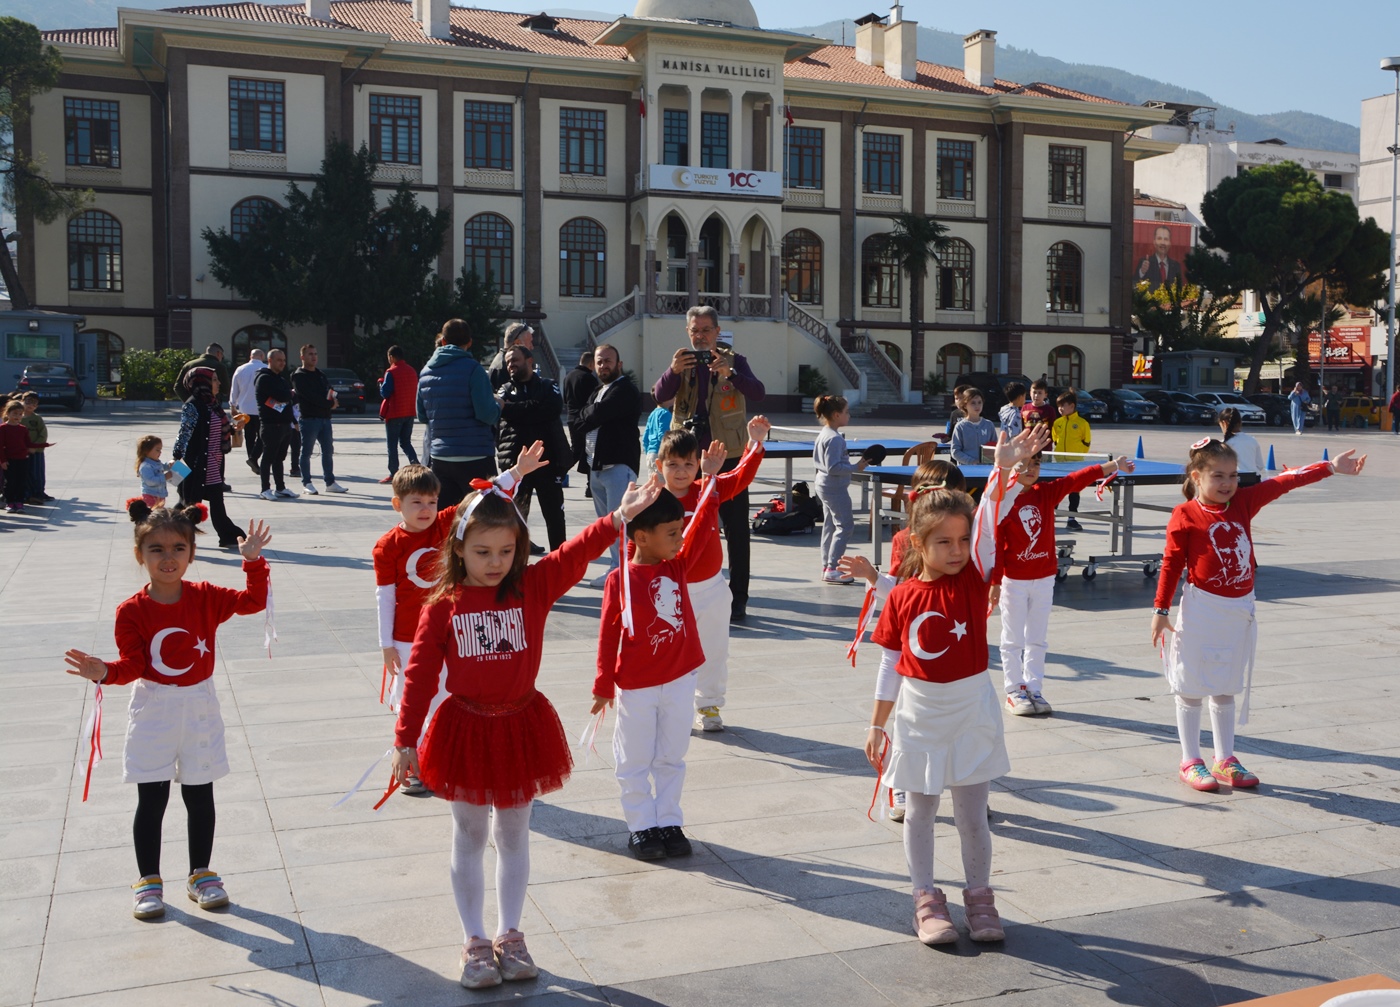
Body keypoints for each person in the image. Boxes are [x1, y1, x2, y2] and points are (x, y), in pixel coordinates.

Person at [389, 468, 661, 990]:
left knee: (514, 833)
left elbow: (574, 553)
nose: (495, 563)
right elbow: (420, 675)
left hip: (520, 724)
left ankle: (509, 935)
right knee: (469, 833)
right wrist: (405, 737)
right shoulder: (442, 606)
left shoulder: (532, 588)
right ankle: (473, 941)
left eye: (506, 552)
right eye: (483, 552)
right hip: (465, 726)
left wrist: (618, 518)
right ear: (459, 550)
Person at [864, 426, 1049, 946]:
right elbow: (890, 667)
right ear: (917, 543)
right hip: (920, 715)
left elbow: (990, 518)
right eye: (943, 541)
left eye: (963, 540)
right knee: (919, 811)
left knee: (972, 814)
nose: (957, 550)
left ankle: (980, 896)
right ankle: (925, 898)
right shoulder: (901, 597)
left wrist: (1004, 471)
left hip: (972, 710)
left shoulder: (974, 576)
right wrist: (877, 725)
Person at [62, 502, 271, 920]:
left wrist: (253, 562)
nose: (169, 557)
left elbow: (253, 602)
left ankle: (201, 875)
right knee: (152, 798)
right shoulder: (131, 611)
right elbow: (134, 666)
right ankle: (148, 881)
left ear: (192, 553)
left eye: (179, 547)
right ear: (141, 555)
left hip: (199, 706)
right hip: (154, 707)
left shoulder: (207, 597)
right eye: (156, 549)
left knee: (200, 793)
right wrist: (105, 672)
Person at [1151, 437, 1366, 792]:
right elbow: (1172, 563)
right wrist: (1160, 609)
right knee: (1190, 685)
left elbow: (1284, 482)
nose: (1227, 483)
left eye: (1233, 476)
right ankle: (1190, 760)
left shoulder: (1243, 503)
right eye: (1218, 475)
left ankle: (1225, 758)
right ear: (1196, 476)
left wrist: (1329, 467)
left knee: (1225, 685)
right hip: (1202, 609)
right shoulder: (1184, 514)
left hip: (1239, 611)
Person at [593, 474, 723, 860]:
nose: (680, 538)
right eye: (671, 532)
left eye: (679, 530)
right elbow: (606, 636)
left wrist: (712, 485)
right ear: (642, 536)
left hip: (680, 679)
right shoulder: (620, 580)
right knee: (633, 759)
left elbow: (700, 529)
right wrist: (603, 685)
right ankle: (640, 826)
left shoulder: (677, 567)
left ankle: (668, 820)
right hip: (637, 686)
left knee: (671, 755)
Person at [839, 459, 966, 823]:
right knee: (908, 720)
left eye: (954, 494)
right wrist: (873, 576)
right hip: (911, 640)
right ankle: (899, 782)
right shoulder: (903, 539)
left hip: (950, 640)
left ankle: (965, 785)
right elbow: (899, 595)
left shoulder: (964, 540)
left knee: (957, 721)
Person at [651, 417, 768, 732]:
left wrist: (754, 443)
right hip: (670, 593)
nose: (681, 472)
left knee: (714, 652)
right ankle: (668, 708)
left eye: (688, 464)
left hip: (712, 590)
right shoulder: (652, 499)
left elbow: (741, 477)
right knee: (669, 653)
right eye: (672, 464)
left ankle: (709, 705)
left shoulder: (708, 486)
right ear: (659, 465)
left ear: (697, 464)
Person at [652, 305, 767, 624]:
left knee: (736, 529)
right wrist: (673, 371)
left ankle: (739, 598)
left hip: (726, 454)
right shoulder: (683, 361)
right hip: (687, 460)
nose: (700, 336)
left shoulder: (734, 360)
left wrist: (730, 374)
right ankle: (680, 587)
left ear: (717, 331)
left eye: (706, 330)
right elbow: (659, 395)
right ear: (688, 333)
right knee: (681, 525)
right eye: (694, 331)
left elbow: (758, 392)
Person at [994, 449, 1131, 716]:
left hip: (1044, 578)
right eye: (1023, 464)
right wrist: (995, 582)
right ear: (1011, 467)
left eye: (1035, 464)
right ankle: (1014, 691)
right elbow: (997, 545)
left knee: (1037, 638)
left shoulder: (1046, 492)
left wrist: (1113, 465)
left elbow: (1076, 479)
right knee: (1012, 639)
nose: (1031, 469)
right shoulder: (1002, 501)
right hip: (1015, 581)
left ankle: (1033, 688)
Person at [373, 462, 459, 794]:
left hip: (447, 634)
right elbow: (384, 596)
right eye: (416, 502)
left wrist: (517, 473)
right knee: (411, 702)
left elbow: (481, 499)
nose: (425, 510)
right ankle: (414, 765)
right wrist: (386, 644)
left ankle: (442, 759)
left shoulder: (442, 525)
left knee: (445, 699)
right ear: (398, 504)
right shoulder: (387, 545)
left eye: (431, 502)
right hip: (406, 639)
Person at [573, 343, 642, 587]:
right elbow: (580, 418)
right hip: (597, 467)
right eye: (600, 361)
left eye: (608, 361)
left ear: (619, 364)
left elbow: (597, 414)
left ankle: (621, 571)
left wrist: (589, 414)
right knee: (606, 524)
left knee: (620, 522)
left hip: (618, 467)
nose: (604, 365)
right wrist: (589, 414)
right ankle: (618, 569)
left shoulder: (625, 389)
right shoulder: (598, 391)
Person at [493, 345, 571, 552]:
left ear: (529, 361)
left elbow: (552, 409)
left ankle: (559, 562)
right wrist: (532, 407)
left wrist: (512, 408)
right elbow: (500, 411)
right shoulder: (505, 389)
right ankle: (516, 568)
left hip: (548, 463)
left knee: (554, 517)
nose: (511, 365)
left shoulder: (548, 385)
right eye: (508, 361)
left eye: (515, 360)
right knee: (516, 520)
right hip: (516, 465)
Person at [417, 319, 501, 508]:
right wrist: (499, 406)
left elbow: (422, 415)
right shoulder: (474, 370)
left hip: (440, 458)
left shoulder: (425, 372)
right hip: (475, 456)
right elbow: (486, 414)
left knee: (445, 520)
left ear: (443, 341)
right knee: (483, 517)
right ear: (469, 342)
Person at [173, 368, 245, 547]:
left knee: (205, 499)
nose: (218, 383)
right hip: (197, 461)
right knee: (192, 500)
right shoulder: (192, 405)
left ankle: (226, 534)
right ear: (202, 383)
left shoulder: (213, 403)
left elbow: (220, 430)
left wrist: (235, 428)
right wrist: (177, 457)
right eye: (214, 380)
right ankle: (176, 531)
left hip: (214, 460)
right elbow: (185, 432)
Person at [812, 394, 867, 584]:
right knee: (845, 526)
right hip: (834, 487)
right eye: (846, 412)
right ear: (836, 415)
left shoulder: (825, 433)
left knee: (830, 525)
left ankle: (827, 565)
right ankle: (832, 568)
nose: (848, 415)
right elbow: (833, 467)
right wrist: (855, 467)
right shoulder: (835, 439)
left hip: (824, 484)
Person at [290, 344, 346, 495]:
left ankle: (330, 482)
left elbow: (327, 390)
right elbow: (310, 396)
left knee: (328, 451)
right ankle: (307, 482)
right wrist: (329, 404)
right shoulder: (299, 376)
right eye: (310, 354)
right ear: (302, 357)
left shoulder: (320, 374)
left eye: (315, 354)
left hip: (325, 419)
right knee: (306, 452)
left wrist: (334, 399)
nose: (313, 357)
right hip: (309, 419)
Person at [255, 349, 298, 501]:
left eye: (284, 360)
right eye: (279, 360)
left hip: (285, 424)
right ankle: (265, 489)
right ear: (270, 361)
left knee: (279, 458)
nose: (282, 363)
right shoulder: (264, 378)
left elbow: (289, 400)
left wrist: (294, 421)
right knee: (268, 457)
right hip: (271, 424)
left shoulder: (281, 379)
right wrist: (288, 394)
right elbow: (282, 396)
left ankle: (280, 488)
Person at [1050, 390, 1092, 531]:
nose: (1060, 409)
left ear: (1072, 406)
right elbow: (1056, 439)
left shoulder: (1082, 423)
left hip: (1076, 463)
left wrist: (1077, 456)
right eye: (1059, 406)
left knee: (1074, 491)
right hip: (1060, 464)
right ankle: (1050, 517)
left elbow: (1086, 443)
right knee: (1057, 490)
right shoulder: (1057, 423)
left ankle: (1072, 518)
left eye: (1063, 405)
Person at [378, 344, 420, 483]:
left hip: (395, 413)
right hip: (409, 412)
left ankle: (393, 473)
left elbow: (385, 393)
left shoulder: (391, 372)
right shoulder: (412, 371)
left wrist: (380, 383)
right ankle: (416, 465)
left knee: (392, 445)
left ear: (391, 357)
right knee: (406, 442)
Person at [561, 350, 599, 497]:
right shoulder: (589, 379)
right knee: (589, 450)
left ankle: (560, 473)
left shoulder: (568, 376)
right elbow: (594, 401)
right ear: (591, 364)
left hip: (571, 418)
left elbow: (565, 399)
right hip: (585, 419)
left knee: (576, 449)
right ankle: (589, 486)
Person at [228, 349, 267, 476]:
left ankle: (252, 459)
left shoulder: (240, 369)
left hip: (245, 410)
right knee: (263, 436)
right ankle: (254, 458)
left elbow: (234, 389)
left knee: (249, 437)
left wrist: (232, 406)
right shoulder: (266, 369)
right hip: (262, 409)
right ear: (262, 356)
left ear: (250, 356)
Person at [1, 400, 34, 512]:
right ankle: (10, 502)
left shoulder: (23, 429)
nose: (17, 416)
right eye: (14, 413)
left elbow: (27, 443)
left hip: (22, 459)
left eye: (20, 414)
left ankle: (19, 502)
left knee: (21, 481)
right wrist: (3, 460)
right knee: (10, 481)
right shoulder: (3, 428)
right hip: (9, 459)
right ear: (7, 413)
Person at [950, 390, 997, 465]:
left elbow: (995, 447)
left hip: (986, 468)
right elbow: (955, 451)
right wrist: (971, 461)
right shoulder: (960, 427)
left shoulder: (989, 425)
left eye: (979, 402)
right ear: (965, 405)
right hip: (966, 469)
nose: (977, 406)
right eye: (973, 403)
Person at [1218, 408, 1264, 484]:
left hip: (1234, 481)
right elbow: (1260, 465)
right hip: (1254, 480)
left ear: (1224, 423)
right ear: (1240, 422)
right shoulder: (1252, 440)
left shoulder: (1223, 444)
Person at [20, 393, 52, 503]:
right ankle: (26, 494)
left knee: (37, 473)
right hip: (21, 451)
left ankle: (38, 493)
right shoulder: (17, 417)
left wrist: (36, 446)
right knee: (24, 473)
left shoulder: (37, 418)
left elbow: (43, 434)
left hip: (36, 451)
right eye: (28, 401)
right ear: (22, 401)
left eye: (34, 403)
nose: (30, 405)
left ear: (37, 406)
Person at [1136, 224, 1184, 292]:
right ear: (1154, 242)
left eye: (1166, 239)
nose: (1162, 243)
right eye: (1159, 238)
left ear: (1170, 243)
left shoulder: (1176, 266)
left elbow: (1179, 288)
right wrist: (1142, 272)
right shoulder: (1144, 263)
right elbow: (1134, 284)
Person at [487, 322, 535, 388]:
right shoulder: (505, 367)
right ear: (517, 343)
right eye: (530, 342)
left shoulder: (503, 362)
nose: (532, 347)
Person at [136, 435, 171, 508]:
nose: (160, 452)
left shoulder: (155, 462)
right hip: (150, 495)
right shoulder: (145, 466)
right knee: (153, 515)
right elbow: (150, 481)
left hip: (159, 494)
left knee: (158, 515)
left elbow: (162, 467)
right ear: (147, 451)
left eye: (160, 450)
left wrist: (169, 465)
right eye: (157, 450)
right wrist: (164, 477)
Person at [641, 402, 674, 477]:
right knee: (662, 485)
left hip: (650, 453)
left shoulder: (652, 414)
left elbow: (645, 437)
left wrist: (648, 451)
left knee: (653, 483)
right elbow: (663, 435)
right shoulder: (666, 414)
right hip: (660, 453)